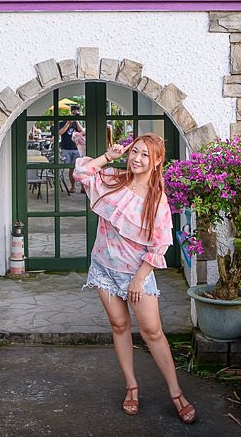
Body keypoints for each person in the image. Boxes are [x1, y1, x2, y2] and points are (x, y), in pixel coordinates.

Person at [73, 133, 196, 424]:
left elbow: (159, 245)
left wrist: (138, 280)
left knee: (153, 332)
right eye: (135, 152)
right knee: (119, 325)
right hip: (104, 266)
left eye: (145, 155)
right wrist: (108, 157)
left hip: (136, 273)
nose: (137, 159)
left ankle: (176, 393)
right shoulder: (114, 178)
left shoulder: (157, 199)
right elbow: (81, 172)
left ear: (156, 162)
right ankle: (132, 387)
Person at [59, 105, 85, 193]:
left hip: (77, 148)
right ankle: (73, 186)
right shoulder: (64, 122)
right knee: (71, 168)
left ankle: (83, 187)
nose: (75, 113)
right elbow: (60, 132)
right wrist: (68, 123)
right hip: (66, 148)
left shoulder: (77, 123)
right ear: (71, 112)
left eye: (77, 111)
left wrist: (76, 121)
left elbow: (82, 131)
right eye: (73, 111)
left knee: (79, 168)